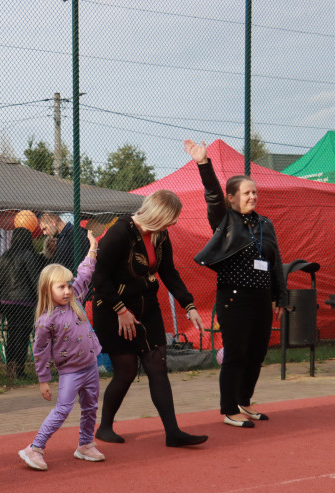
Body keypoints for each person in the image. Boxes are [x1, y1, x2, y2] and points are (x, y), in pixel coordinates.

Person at [90, 190, 209, 447]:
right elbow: (99, 279)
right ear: (158, 214)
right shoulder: (119, 233)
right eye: (171, 218)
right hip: (113, 310)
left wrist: (189, 306)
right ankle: (105, 427)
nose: (174, 223)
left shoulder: (161, 235)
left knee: (157, 366)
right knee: (126, 371)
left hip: (147, 309)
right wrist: (120, 310)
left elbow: (169, 273)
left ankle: (173, 433)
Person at [184, 139, 287, 427]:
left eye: (254, 192)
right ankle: (229, 408)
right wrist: (204, 163)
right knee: (236, 353)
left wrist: (281, 296)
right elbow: (213, 196)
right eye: (246, 193)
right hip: (234, 297)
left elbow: (275, 261)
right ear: (232, 198)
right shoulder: (224, 219)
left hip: (262, 297)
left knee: (257, 352)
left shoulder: (265, 224)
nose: (252, 197)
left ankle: (244, 400)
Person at [18, 232, 105, 471]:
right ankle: (34, 448)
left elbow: (85, 273)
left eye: (68, 285)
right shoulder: (46, 320)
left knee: (90, 407)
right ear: (48, 290)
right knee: (63, 409)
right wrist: (43, 380)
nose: (67, 291)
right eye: (61, 287)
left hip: (90, 366)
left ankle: (85, 445)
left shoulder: (75, 298)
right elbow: (40, 351)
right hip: (70, 372)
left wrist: (92, 250)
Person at [0, 227, 45, 379]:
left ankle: (10, 368)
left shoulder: (5, 255)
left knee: (12, 334)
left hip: (6, 301)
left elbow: (1, 280)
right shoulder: (28, 255)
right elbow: (35, 280)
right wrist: (42, 299)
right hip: (24, 301)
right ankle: (19, 369)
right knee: (22, 336)